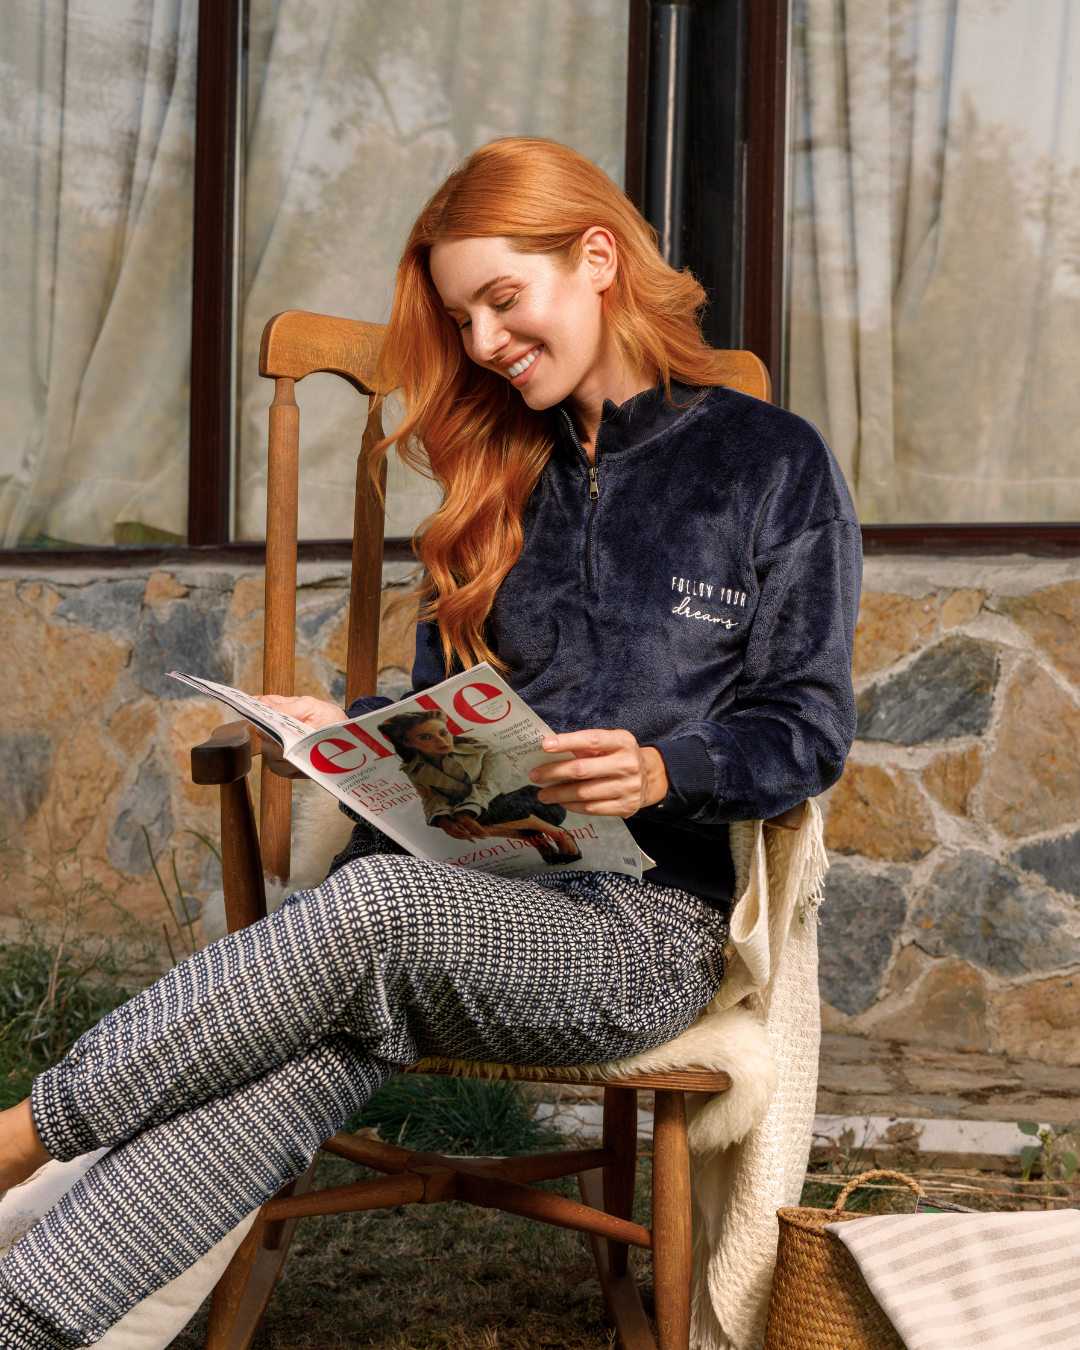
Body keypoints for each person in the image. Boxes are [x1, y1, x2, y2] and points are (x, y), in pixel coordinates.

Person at [0, 137, 861, 1348]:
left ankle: (19, 1138)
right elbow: (452, 732)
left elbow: (808, 727)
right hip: (458, 900)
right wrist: (355, 737)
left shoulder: (769, 465)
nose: (485, 344)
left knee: (371, 921)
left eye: (502, 301)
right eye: (463, 321)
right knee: (335, 1016)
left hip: (641, 932)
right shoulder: (492, 474)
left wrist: (668, 768)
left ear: (597, 257)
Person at [378, 709, 583, 864]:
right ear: (408, 742)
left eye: (443, 732)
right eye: (426, 737)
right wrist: (442, 820)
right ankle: (533, 838)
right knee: (457, 825)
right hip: (486, 809)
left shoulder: (482, 748)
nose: (441, 741)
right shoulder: (415, 769)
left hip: (531, 802)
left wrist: (466, 811)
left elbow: (492, 783)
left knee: (487, 808)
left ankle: (554, 832)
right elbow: (432, 797)